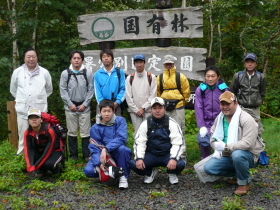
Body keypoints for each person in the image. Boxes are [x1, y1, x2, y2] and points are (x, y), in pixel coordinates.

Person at [204, 91, 265, 195]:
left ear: (236, 103)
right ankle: (239, 173)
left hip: (248, 154)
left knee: (237, 155)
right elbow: (213, 136)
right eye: (222, 104)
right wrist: (215, 145)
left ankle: (243, 183)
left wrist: (225, 146)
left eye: (228, 104)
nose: (225, 107)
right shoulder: (219, 118)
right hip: (227, 153)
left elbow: (247, 143)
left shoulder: (246, 119)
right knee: (208, 168)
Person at [130, 97, 186, 184]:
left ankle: (171, 172)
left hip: (167, 154)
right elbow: (139, 142)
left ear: (164, 108)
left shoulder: (172, 123)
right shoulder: (145, 124)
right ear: (151, 110)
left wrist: (174, 158)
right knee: (134, 164)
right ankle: (149, 172)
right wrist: (139, 158)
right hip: (151, 155)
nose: (157, 111)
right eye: (155, 108)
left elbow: (178, 143)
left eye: (160, 108)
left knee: (180, 164)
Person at [10, 47, 53, 155]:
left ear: (37, 58)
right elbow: (13, 90)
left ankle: (41, 159)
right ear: (24, 58)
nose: (31, 59)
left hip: (39, 111)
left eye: (33, 56)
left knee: (41, 136)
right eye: (28, 57)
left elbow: (49, 90)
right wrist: (23, 99)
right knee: (23, 136)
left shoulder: (44, 72)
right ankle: (22, 159)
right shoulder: (17, 72)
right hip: (23, 110)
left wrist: (38, 97)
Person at [84, 99, 132, 189]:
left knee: (123, 149)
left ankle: (123, 176)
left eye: (109, 111)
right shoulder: (95, 127)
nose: (106, 114)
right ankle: (110, 171)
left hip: (117, 152)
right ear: (99, 112)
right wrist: (99, 163)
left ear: (113, 111)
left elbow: (121, 138)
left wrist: (105, 149)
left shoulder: (120, 121)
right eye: (104, 111)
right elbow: (94, 147)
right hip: (102, 156)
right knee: (88, 171)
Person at [59, 50, 94, 161]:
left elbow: (91, 89)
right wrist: (70, 104)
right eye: (74, 58)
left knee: (85, 132)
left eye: (79, 58)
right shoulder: (65, 74)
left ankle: (86, 155)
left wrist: (85, 104)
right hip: (70, 108)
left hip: (85, 107)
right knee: (72, 131)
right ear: (71, 60)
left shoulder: (87, 73)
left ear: (82, 60)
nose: (76, 60)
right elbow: (63, 90)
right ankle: (73, 156)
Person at [194, 66, 229, 159]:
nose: (210, 79)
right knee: (204, 142)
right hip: (206, 122)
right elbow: (198, 107)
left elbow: (229, 105)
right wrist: (201, 126)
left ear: (218, 77)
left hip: (221, 120)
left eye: (213, 76)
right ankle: (205, 161)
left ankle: (222, 162)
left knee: (222, 143)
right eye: (208, 76)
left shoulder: (223, 89)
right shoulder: (201, 89)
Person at [24, 109, 63, 177]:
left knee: (48, 164)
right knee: (33, 159)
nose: (34, 120)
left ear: (41, 120)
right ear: (28, 121)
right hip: (41, 151)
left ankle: (55, 169)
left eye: (36, 117)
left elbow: (49, 151)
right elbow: (28, 149)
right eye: (31, 118)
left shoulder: (49, 130)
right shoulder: (27, 132)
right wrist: (30, 166)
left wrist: (37, 166)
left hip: (54, 151)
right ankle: (42, 169)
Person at [156, 54, 190, 134]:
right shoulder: (159, 78)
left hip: (178, 106)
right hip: (164, 106)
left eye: (170, 64)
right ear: (163, 64)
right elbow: (157, 92)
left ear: (173, 64)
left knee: (179, 128)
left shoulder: (181, 77)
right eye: (166, 64)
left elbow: (186, 92)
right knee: (164, 128)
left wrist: (182, 102)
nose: (168, 66)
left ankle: (180, 145)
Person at [125, 54, 157, 136]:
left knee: (149, 132)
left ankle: (149, 149)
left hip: (148, 110)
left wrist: (143, 108)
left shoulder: (151, 77)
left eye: (141, 62)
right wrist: (136, 110)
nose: (139, 64)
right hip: (134, 112)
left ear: (145, 63)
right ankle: (137, 148)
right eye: (137, 62)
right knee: (138, 133)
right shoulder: (130, 78)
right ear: (134, 64)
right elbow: (128, 96)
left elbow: (153, 95)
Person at [230, 53, 266, 118]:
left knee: (255, 126)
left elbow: (262, 92)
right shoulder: (238, 76)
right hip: (241, 108)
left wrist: (259, 101)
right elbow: (232, 92)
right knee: (241, 126)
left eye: (252, 62)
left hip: (255, 109)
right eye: (247, 62)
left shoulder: (260, 77)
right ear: (244, 64)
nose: (250, 64)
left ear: (256, 64)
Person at [94, 49, 125, 116]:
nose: (106, 58)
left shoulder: (119, 72)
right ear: (101, 59)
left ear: (112, 58)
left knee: (116, 125)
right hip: (102, 106)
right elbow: (97, 91)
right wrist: (102, 104)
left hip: (116, 105)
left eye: (108, 56)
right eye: (103, 57)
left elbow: (123, 88)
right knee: (101, 125)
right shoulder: (97, 74)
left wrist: (118, 101)